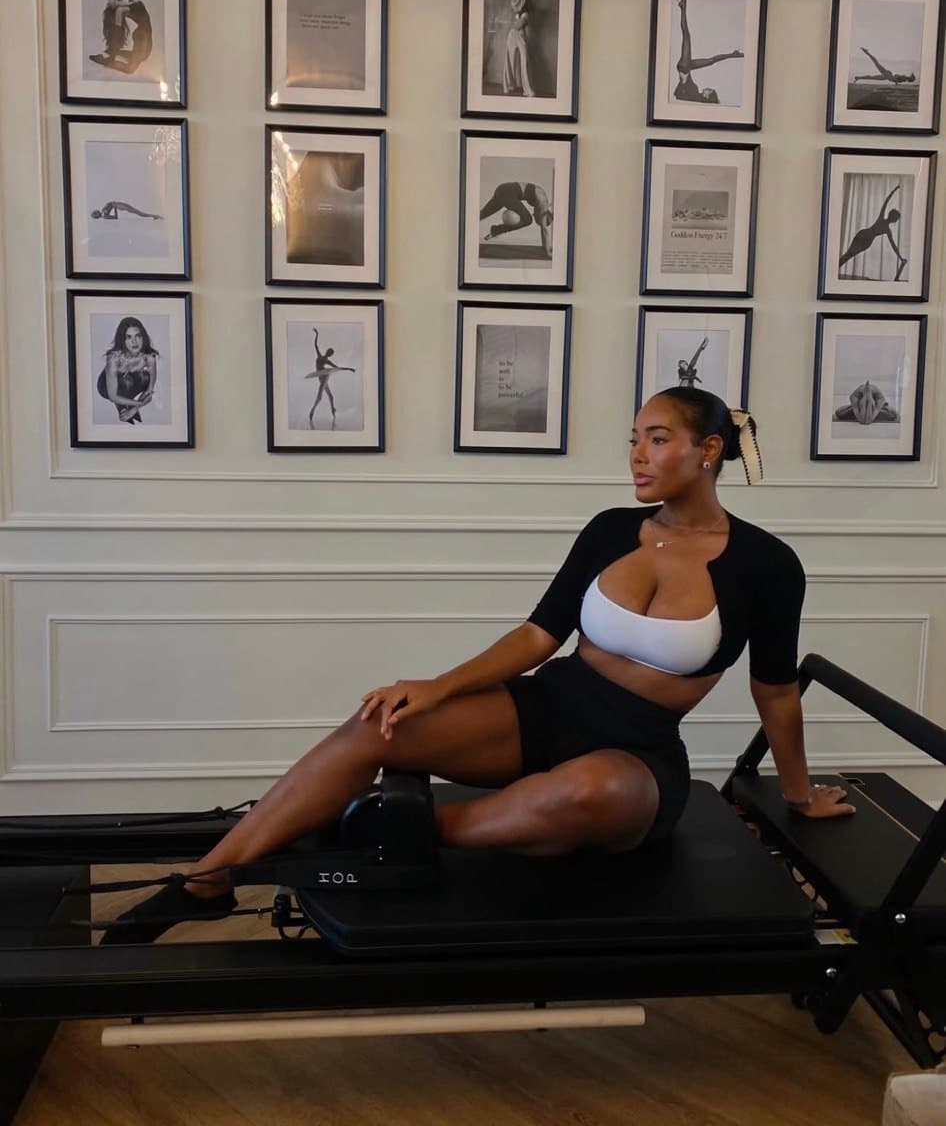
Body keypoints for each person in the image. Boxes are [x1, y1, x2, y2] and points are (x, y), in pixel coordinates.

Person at [101, 386, 854, 943]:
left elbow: (775, 690)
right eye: (632, 439)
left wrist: (797, 793)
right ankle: (205, 881)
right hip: (547, 707)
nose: (636, 455)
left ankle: (391, 831)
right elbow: (537, 637)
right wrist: (434, 688)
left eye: (657, 439)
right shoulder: (610, 530)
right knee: (379, 727)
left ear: (709, 450)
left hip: (635, 752)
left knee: (584, 795)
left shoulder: (767, 564)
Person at [673, 0, 744, 104]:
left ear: (707, 96)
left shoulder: (695, 97)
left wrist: (683, 81)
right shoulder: (696, 95)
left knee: (686, 36)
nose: (709, 88)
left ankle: (682, 7)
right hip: (687, 67)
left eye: (710, 91)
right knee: (711, 61)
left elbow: (678, 94)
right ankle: (733, 54)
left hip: (684, 68)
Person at [96, 317, 158, 425]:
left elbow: (149, 389)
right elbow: (112, 396)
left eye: (137, 336)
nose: (134, 342)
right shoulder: (114, 358)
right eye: (128, 337)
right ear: (122, 340)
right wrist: (141, 402)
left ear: (143, 337)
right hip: (107, 386)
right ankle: (120, 404)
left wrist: (134, 409)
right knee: (127, 381)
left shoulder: (149, 357)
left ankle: (124, 404)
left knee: (145, 377)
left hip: (130, 382)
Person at [838, 184, 907, 280]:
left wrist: (900, 257)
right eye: (896, 219)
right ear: (894, 219)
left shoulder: (885, 226)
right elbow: (886, 202)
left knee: (848, 255)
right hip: (864, 238)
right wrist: (894, 190)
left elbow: (893, 246)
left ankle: (833, 270)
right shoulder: (884, 225)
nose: (896, 221)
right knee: (848, 255)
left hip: (865, 238)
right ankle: (833, 271)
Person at [89, 0, 153, 76]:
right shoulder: (125, 9)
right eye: (111, 1)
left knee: (131, 68)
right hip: (142, 37)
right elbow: (118, 27)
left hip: (143, 37)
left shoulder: (129, 6)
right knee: (129, 64)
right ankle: (109, 56)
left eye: (112, 0)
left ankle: (109, 57)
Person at [480, 181, 553, 258]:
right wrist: (547, 251)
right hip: (508, 193)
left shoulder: (541, 196)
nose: (540, 221)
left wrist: (545, 246)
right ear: (546, 215)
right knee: (527, 220)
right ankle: (496, 230)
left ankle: (471, 225)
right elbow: (544, 230)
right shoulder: (543, 204)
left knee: (482, 214)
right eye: (542, 220)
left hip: (502, 189)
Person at [305, 327, 355, 430]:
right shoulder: (320, 356)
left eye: (329, 353)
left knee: (330, 396)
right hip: (322, 377)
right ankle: (312, 410)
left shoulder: (326, 361)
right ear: (327, 351)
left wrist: (349, 369)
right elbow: (316, 345)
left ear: (330, 354)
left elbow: (337, 368)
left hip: (324, 376)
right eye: (328, 351)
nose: (328, 352)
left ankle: (332, 410)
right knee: (321, 396)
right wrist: (317, 334)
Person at [503, 0, 536, 97]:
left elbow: (518, 25)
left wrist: (511, 23)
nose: (516, 6)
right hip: (511, 36)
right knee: (510, 60)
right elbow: (515, 26)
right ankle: (509, 86)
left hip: (521, 36)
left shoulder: (525, 14)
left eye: (520, 2)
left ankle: (528, 89)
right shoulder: (517, 13)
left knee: (525, 61)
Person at [834, 380, 898, 424]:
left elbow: (876, 412)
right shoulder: (855, 396)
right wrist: (861, 418)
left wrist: (869, 418)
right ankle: (865, 409)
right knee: (839, 413)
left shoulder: (879, 397)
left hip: (878, 407)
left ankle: (868, 409)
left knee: (893, 414)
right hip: (859, 407)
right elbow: (856, 411)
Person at [91, 200, 163, 221]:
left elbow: (110, 203)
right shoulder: (105, 216)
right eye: (96, 213)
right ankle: (155, 216)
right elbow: (115, 217)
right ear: (97, 215)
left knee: (137, 212)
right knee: (138, 213)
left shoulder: (103, 210)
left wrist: (114, 205)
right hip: (119, 206)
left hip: (119, 205)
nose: (97, 212)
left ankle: (154, 216)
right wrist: (115, 208)